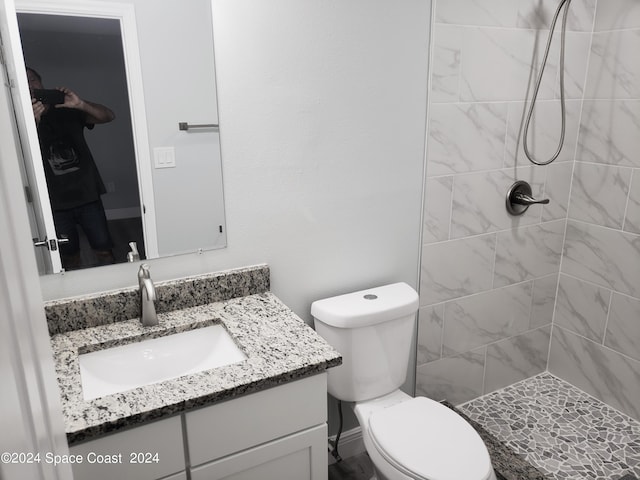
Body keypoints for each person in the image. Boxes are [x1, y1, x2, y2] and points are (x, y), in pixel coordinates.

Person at [27, 67, 116, 270]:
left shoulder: (67, 109)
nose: (29, 86)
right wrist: (31, 122)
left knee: (104, 250)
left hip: (88, 196)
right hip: (54, 203)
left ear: (41, 83)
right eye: (23, 83)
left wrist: (81, 104)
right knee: (68, 256)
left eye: (32, 80)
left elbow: (108, 115)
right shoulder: (17, 120)